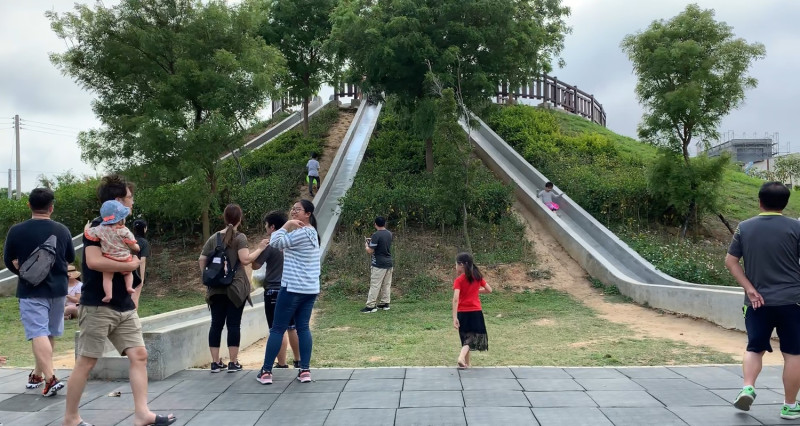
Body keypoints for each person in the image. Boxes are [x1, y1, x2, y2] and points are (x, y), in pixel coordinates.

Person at [63, 174, 175, 426]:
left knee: (139, 355)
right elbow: (93, 261)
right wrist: (132, 262)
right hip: (97, 305)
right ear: (117, 200)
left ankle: (142, 414)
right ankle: (70, 419)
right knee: (87, 361)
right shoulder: (96, 228)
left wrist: (132, 266)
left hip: (124, 304)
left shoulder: (121, 226)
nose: (133, 202)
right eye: (129, 197)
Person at [726, 181, 800, 420]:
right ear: (786, 203)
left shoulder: (744, 228)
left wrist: (750, 289)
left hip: (757, 303)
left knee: (754, 347)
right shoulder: (796, 228)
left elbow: (731, 261)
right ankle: (790, 405)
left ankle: (748, 386)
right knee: (794, 354)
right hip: (793, 302)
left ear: (759, 201)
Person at [3, 187, 74, 396]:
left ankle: (50, 379)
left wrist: (25, 273)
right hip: (59, 289)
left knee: (38, 333)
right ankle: (37, 374)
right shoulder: (62, 230)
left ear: (29, 205)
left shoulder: (16, 230)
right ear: (51, 208)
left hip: (30, 290)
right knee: (47, 332)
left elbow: (8, 260)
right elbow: (69, 257)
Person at [256, 199, 320, 385]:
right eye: (292, 209)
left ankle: (266, 372)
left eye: (298, 210)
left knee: (277, 328)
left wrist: (287, 224)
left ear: (307, 214)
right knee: (303, 328)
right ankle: (305, 370)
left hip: (292, 288)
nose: (293, 212)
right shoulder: (312, 233)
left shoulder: (301, 233)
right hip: (309, 289)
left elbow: (275, 241)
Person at [199, 204, 267, 373]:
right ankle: (233, 362)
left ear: (224, 217)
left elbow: (202, 258)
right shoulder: (240, 237)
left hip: (215, 289)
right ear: (239, 219)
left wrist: (209, 276)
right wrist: (260, 248)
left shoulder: (214, 238)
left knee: (216, 325)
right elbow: (245, 260)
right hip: (235, 288)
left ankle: (215, 363)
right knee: (233, 325)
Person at [252, 210, 301, 369]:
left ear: (272, 227)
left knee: (277, 329)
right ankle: (298, 360)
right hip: (292, 289)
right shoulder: (292, 241)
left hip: (273, 290)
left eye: (266, 226)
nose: (266, 229)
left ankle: (281, 363)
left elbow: (255, 265)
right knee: (292, 327)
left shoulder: (271, 243)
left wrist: (259, 248)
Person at [83, 200, 140, 303]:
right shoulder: (124, 230)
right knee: (128, 274)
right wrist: (137, 247)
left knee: (107, 278)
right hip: (125, 258)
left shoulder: (100, 229)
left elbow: (88, 233)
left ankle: (108, 295)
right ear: (121, 219)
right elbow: (132, 244)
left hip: (109, 258)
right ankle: (129, 287)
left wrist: (86, 228)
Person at [452, 252, 492, 369]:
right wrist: (476, 291)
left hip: (462, 314)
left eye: (456, 264)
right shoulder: (477, 277)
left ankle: (466, 363)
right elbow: (489, 290)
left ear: (461, 265)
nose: (455, 266)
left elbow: (455, 299)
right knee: (472, 337)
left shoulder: (459, 280)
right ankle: (462, 358)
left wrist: (454, 317)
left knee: (466, 338)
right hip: (475, 313)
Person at [361, 216, 393, 313]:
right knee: (386, 284)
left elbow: (370, 251)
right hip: (389, 262)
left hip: (379, 263)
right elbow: (383, 243)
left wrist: (367, 245)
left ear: (375, 224)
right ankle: (385, 303)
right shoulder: (389, 234)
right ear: (384, 223)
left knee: (375, 284)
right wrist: (373, 241)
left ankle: (371, 306)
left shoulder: (376, 235)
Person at [131, 219, 150, 309]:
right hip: (136, 273)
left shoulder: (129, 240)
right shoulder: (144, 242)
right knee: (135, 298)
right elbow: (142, 260)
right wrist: (141, 279)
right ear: (145, 229)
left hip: (124, 271)